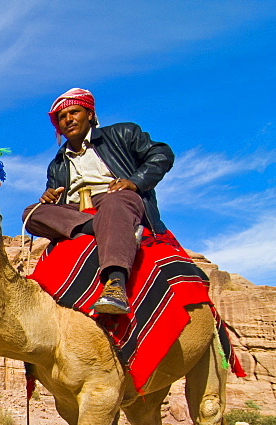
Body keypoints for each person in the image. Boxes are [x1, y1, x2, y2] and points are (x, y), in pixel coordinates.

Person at [22, 88, 174, 314]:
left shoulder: (123, 133)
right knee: (31, 213)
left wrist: (135, 181)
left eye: (74, 112)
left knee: (115, 203)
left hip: (118, 197)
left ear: (90, 114)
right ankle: (104, 227)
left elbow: (162, 154)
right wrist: (50, 197)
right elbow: (54, 195)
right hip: (76, 211)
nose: (68, 120)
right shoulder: (57, 163)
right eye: (62, 117)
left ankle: (115, 284)